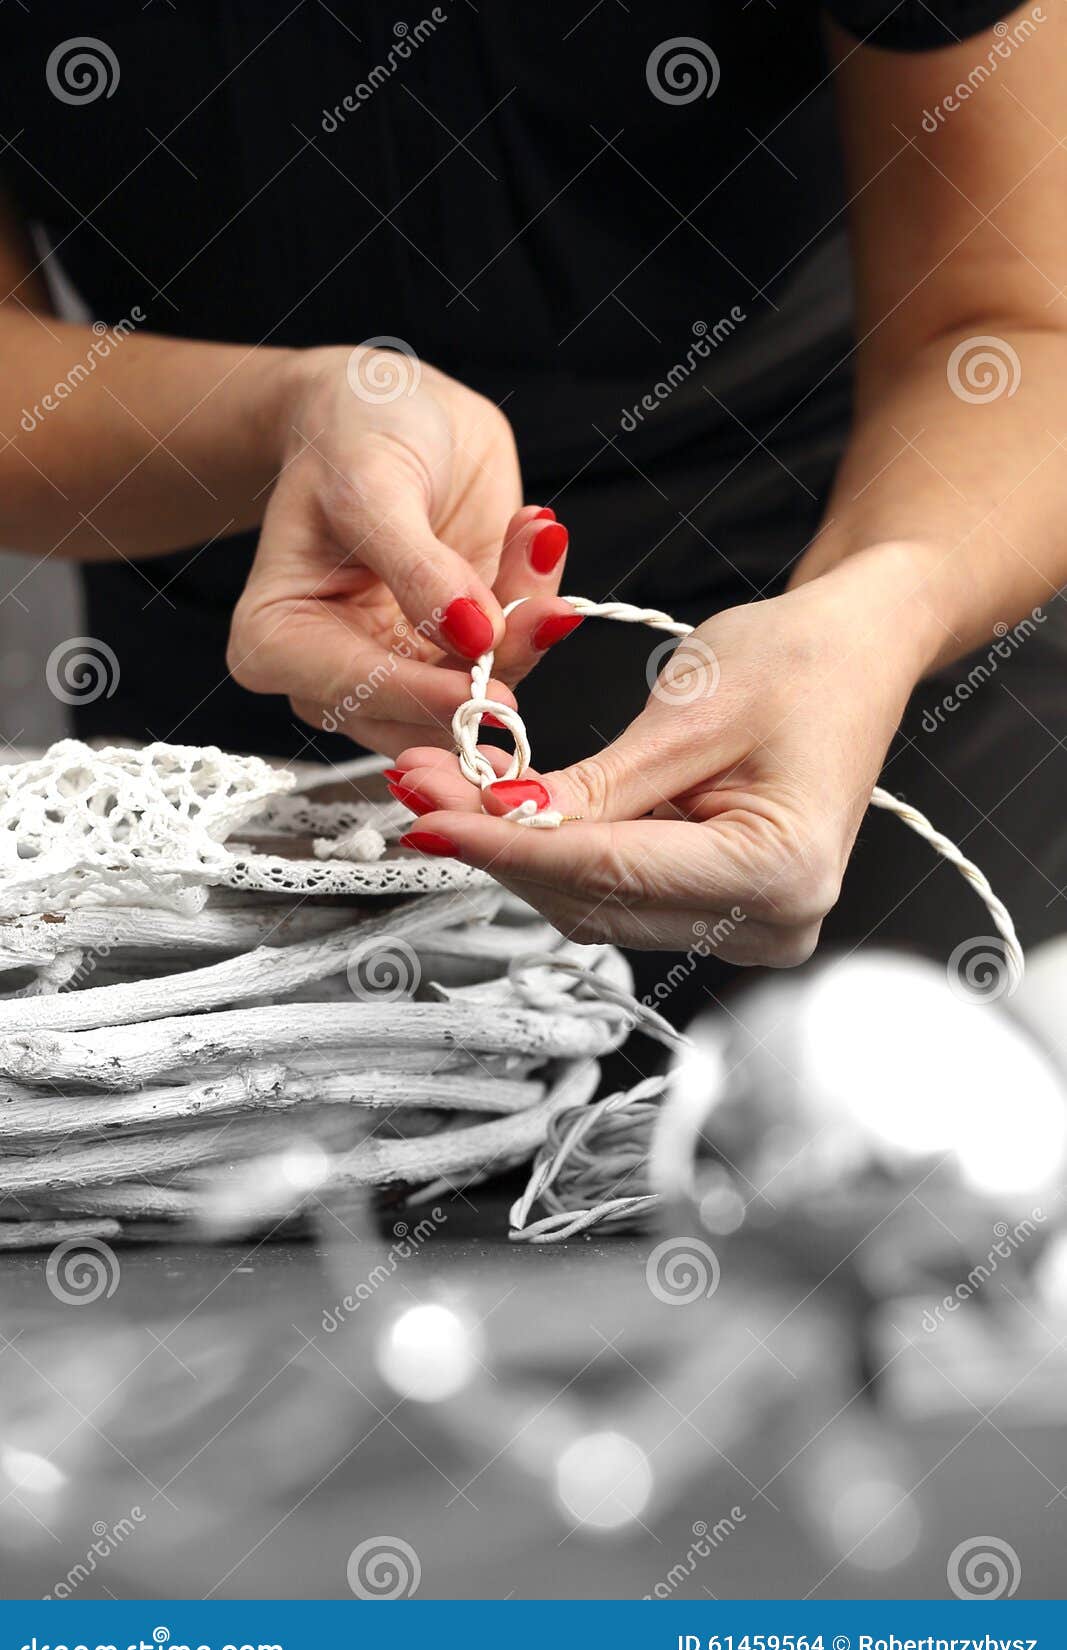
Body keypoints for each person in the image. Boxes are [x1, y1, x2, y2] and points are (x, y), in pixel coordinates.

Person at [2, 3, 1065, 1013]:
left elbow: (1013, 327)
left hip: (859, 583)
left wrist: (871, 616)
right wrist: (289, 416)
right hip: (274, 630)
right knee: (250, 1166)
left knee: (873, 1157)